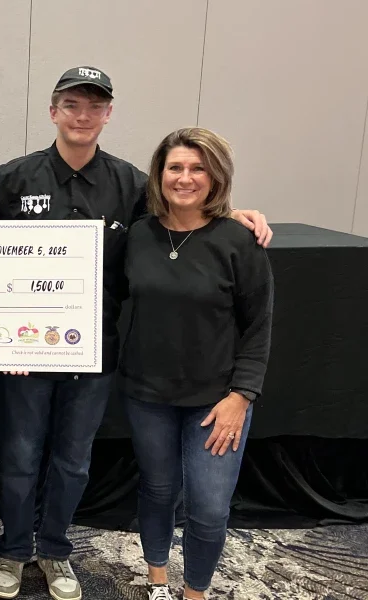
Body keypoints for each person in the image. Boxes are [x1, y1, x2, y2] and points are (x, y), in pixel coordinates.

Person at [0, 66, 273, 600]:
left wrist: (230, 214)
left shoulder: (132, 185)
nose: (82, 116)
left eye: (94, 106)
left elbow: (182, 215)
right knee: (19, 455)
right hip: (24, 353)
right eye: (72, 105)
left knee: (74, 460)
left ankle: (56, 550)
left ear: (108, 114)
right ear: (53, 111)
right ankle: (12, 550)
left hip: (92, 354)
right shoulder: (15, 177)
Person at [119, 127, 272, 600]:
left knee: (208, 508)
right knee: (158, 491)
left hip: (216, 402)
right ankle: (158, 580)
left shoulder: (238, 241)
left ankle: (196, 592)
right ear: (159, 174)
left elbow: (259, 325)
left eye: (198, 168)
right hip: (147, 395)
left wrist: (240, 397)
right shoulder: (138, 235)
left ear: (216, 176)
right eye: (175, 167)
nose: (185, 177)